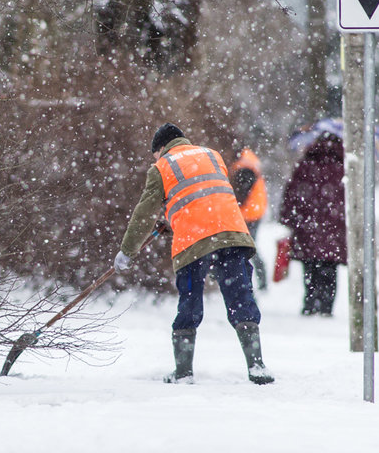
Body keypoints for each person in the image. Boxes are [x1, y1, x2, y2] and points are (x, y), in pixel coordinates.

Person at [114, 123, 275, 385]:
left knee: (190, 302)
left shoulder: (161, 167)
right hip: (232, 234)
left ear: (161, 148)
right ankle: (257, 366)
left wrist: (127, 250)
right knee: (240, 297)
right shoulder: (213, 156)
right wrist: (173, 218)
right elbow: (204, 196)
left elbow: (144, 215)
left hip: (193, 243)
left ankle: (184, 372)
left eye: (155, 154)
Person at [279, 132, 346, 316]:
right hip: (333, 231)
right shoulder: (344, 169)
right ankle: (326, 307)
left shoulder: (305, 165)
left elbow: (291, 195)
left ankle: (310, 302)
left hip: (307, 227)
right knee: (330, 270)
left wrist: (288, 218)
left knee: (310, 268)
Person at [228, 146, 269, 290]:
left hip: (247, 214)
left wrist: (232, 208)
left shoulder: (244, 168)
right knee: (250, 247)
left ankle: (254, 280)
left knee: (246, 248)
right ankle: (260, 279)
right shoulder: (250, 162)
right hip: (254, 212)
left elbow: (241, 193)